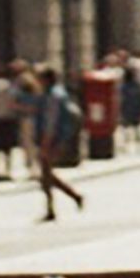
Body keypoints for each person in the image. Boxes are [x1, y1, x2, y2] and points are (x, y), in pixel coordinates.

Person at [32, 68, 86, 221]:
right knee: (46, 174)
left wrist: (46, 141)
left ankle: (53, 207)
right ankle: (70, 198)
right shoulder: (58, 93)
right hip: (55, 138)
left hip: (52, 139)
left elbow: (51, 120)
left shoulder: (52, 96)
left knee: (46, 174)